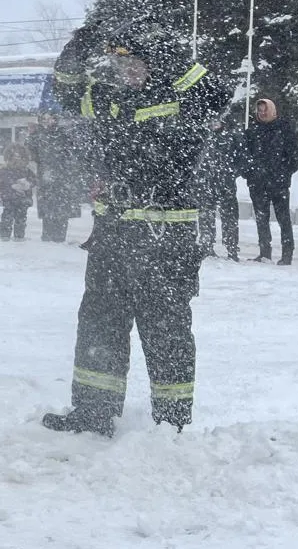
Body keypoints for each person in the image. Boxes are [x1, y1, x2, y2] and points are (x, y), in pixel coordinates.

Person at [42, 22, 227, 436]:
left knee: (166, 330)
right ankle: (93, 412)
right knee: (99, 323)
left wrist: (169, 56)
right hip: (113, 236)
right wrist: (78, 47)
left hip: (166, 241)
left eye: (137, 64)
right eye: (122, 65)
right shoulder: (109, 100)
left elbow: (218, 94)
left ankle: (171, 422)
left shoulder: (184, 98)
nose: (128, 73)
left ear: (156, 64)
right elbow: (67, 91)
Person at [242, 97, 298, 264]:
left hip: (279, 184)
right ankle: (264, 252)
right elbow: (244, 155)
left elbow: (295, 157)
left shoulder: (285, 129)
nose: (262, 113)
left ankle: (287, 254)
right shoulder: (252, 131)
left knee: (284, 219)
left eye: (265, 109)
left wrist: (283, 173)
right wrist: (249, 173)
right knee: (261, 219)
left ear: (273, 111)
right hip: (257, 183)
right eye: (259, 110)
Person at [193, 113, 246, 261]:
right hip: (206, 183)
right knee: (206, 216)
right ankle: (207, 246)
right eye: (212, 121)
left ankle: (232, 248)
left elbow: (242, 158)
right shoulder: (202, 136)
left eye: (217, 121)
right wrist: (199, 175)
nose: (214, 124)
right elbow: (195, 158)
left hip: (226, 183)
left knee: (230, 217)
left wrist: (232, 173)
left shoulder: (231, 136)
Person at [28, 113, 86, 243]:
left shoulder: (63, 134)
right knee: (48, 211)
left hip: (62, 179)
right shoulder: (38, 135)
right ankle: (47, 237)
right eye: (45, 118)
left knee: (61, 211)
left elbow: (74, 152)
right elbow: (31, 153)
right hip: (46, 179)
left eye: (51, 118)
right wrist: (31, 135)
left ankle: (59, 238)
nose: (48, 121)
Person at [0, 144, 36, 241]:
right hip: (10, 198)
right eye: (14, 157)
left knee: (20, 218)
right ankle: (7, 235)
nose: (17, 160)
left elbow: (34, 181)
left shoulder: (27, 171)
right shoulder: (4, 170)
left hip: (21, 198)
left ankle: (18, 236)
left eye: (20, 157)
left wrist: (27, 184)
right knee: (8, 217)